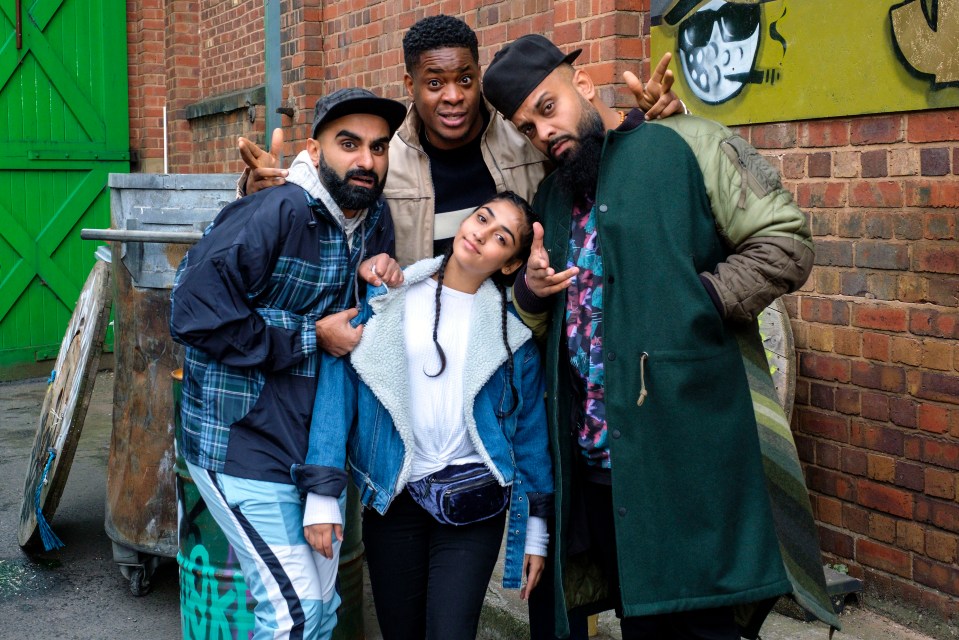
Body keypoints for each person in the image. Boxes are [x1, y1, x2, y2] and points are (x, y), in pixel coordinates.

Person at [481, 35, 842, 640]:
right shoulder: (552, 195)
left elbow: (786, 241)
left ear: (585, 86)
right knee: (640, 624)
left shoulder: (688, 142)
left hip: (687, 458)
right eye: (527, 127)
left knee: (703, 623)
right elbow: (544, 331)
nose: (543, 132)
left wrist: (699, 301)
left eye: (548, 108)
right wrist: (535, 291)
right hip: (599, 473)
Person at [169, 88, 407, 640]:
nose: (365, 160)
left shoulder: (373, 221)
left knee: (319, 614)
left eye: (378, 146)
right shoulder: (279, 208)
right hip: (239, 441)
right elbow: (190, 312)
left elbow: (359, 338)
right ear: (315, 148)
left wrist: (380, 275)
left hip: (309, 451)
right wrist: (308, 335)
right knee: (294, 616)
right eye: (348, 144)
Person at [293, 192, 554, 640]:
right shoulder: (388, 298)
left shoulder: (513, 338)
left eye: (501, 237)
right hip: (395, 494)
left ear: (509, 264)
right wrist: (322, 494)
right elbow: (339, 392)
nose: (481, 234)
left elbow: (529, 435)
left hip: (474, 501)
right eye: (482, 218)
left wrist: (536, 532)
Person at [237, 14, 686, 270]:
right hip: (423, 347)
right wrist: (256, 191)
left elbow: (594, 152)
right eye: (435, 83)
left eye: (465, 79)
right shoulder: (384, 155)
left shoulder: (524, 136)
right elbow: (325, 196)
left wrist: (664, 118)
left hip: (521, 338)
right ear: (411, 84)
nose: (453, 95)